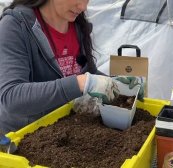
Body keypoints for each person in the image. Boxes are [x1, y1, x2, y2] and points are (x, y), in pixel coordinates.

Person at [0, 0, 143, 134]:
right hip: (24, 138)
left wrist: (115, 82)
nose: (83, 7)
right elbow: (11, 98)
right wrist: (81, 82)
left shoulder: (76, 25)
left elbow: (86, 72)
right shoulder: (15, 26)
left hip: (64, 132)